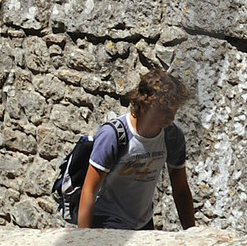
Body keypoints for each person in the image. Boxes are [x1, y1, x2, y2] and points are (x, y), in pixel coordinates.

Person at [75, 67, 196, 232]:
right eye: (165, 111)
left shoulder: (172, 136)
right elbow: (89, 190)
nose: (171, 117)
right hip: (107, 221)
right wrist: (83, 239)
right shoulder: (113, 135)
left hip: (143, 223)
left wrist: (192, 233)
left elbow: (180, 187)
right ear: (146, 105)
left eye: (174, 110)